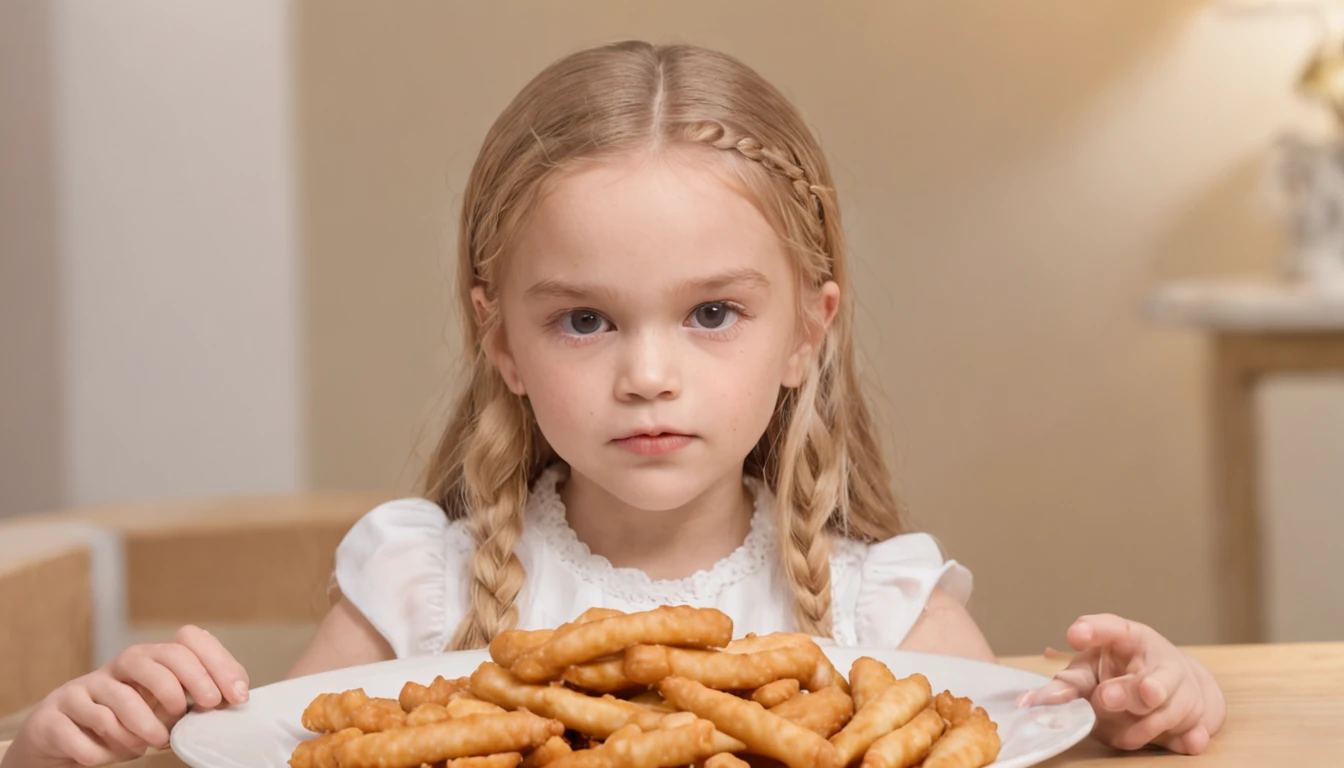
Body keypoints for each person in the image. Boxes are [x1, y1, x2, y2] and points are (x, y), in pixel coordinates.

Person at [1, 41, 1225, 768]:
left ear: (809, 332)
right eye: (584, 320)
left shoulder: (880, 608)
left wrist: (1139, 713)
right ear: (503, 342)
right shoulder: (415, 591)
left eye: (711, 315)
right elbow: (290, 747)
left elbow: (1015, 736)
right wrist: (71, 740)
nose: (648, 373)